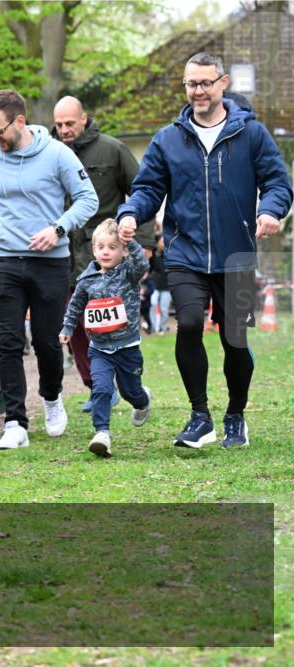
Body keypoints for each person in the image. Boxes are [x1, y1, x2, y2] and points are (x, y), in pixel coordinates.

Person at [117, 52, 292, 448]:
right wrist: (130, 213)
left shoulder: (251, 134)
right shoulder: (168, 139)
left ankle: (236, 415)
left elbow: (278, 183)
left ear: (222, 83)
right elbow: (147, 188)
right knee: (190, 322)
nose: (197, 91)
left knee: (235, 339)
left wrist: (270, 210)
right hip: (186, 252)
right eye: (190, 84)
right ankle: (200, 416)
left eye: (205, 83)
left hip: (237, 253)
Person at [0, 89, 99, 450]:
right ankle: (15, 423)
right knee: (7, 342)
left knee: (46, 342)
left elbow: (88, 199)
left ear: (20, 121)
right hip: (6, 261)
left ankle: (51, 397)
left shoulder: (57, 153)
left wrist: (58, 229)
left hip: (50, 263)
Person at [52, 95, 156, 413]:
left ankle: (125, 381)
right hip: (64, 252)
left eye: (70, 123)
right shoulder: (50, 152)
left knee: (111, 317)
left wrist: (143, 240)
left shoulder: (112, 149)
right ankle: (97, 386)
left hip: (106, 251)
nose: (64, 130)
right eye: (59, 124)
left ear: (84, 119)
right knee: (75, 319)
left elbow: (142, 192)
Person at [60, 220, 153, 457]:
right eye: (100, 247)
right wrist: (67, 328)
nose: (106, 252)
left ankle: (142, 401)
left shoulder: (129, 272)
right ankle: (102, 433)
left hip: (127, 347)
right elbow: (75, 305)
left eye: (113, 247)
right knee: (101, 389)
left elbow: (143, 264)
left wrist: (131, 242)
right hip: (100, 348)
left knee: (130, 392)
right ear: (93, 249)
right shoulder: (86, 279)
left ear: (122, 250)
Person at [148, 235, 172, 334]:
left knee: (164, 308)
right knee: (153, 305)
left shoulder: (170, 254)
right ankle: (154, 327)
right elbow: (149, 268)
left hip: (167, 286)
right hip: (155, 286)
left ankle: (163, 327)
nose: (163, 243)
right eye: (162, 241)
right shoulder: (153, 254)